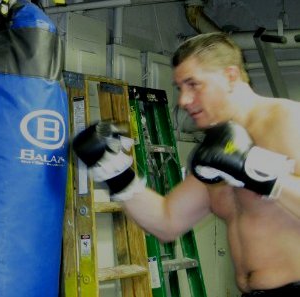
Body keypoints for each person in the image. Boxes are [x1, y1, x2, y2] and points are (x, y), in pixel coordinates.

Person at [72, 32, 300, 296]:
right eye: (180, 88)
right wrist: (116, 173)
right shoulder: (219, 149)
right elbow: (167, 222)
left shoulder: (287, 120)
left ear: (230, 76)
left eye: (194, 84)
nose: (183, 100)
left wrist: (258, 170)